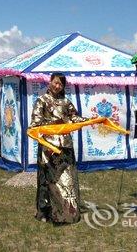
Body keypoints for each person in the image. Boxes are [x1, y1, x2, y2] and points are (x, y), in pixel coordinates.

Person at [30, 73, 89, 225]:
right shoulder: (42, 101)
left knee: (67, 181)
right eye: (55, 83)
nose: (57, 86)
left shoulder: (66, 102)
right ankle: (45, 212)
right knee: (48, 180)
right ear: (50, 82)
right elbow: (35, 124)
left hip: (66, 147)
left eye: (60, 85)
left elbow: (75, 117)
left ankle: (68, 213)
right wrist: (53, 123)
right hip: (49, 147)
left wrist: (91, 120)